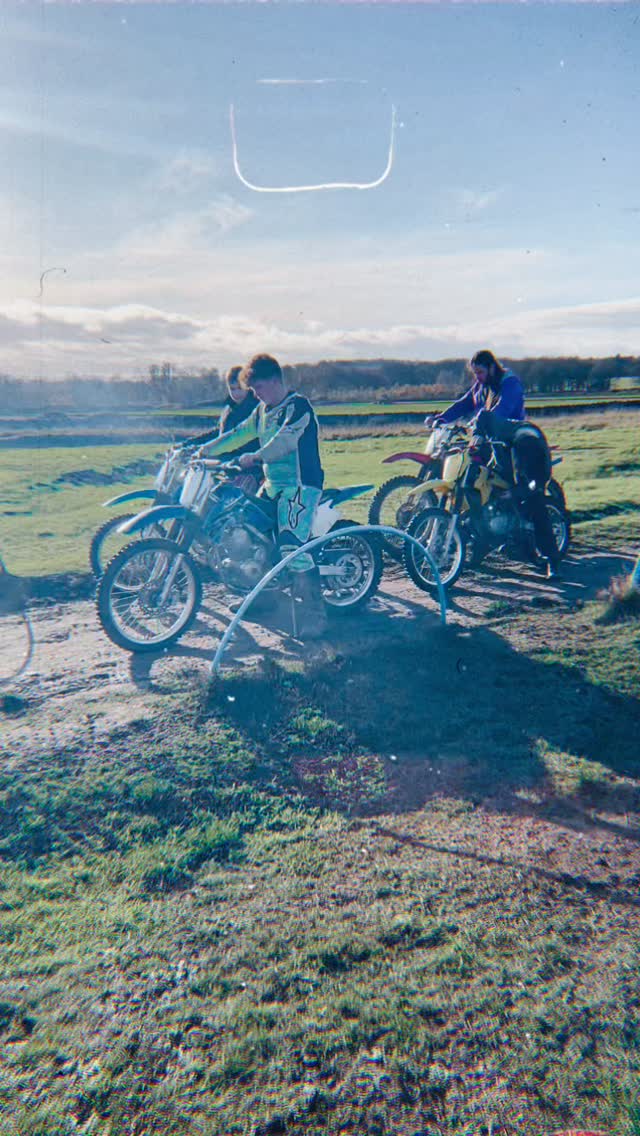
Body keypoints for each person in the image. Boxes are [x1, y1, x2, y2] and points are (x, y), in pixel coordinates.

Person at [196, 353, 328, 637]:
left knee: (291, 548)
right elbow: (239, 433)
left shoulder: (298, 407)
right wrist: (206, 450)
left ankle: (314, 613)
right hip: (272, 485)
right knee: (251, 536)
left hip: (301, 487)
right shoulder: (262, 410)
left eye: (259, 389)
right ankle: (265, 598)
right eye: (253, 391)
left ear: (274, 380)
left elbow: (285, 440)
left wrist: (256, 456)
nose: (256, 395)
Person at [435, 349, 526, 426]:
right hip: (489, 436)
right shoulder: (481, 385)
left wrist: (480, 421)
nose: (477, 377)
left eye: (480, 372)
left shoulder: (510, 384)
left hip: (511, 436)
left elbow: (504, 408)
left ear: (492, 368)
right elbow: (464, 404)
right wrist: (441, 418)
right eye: (475, 373)